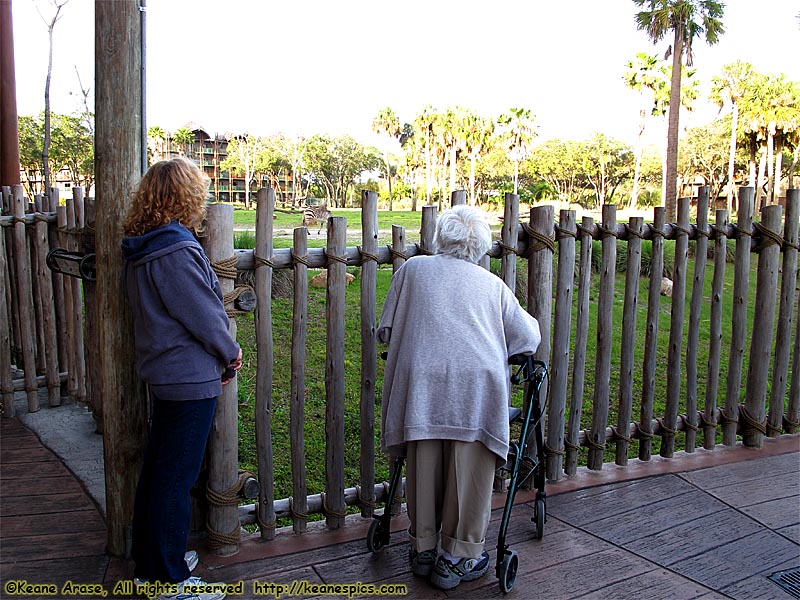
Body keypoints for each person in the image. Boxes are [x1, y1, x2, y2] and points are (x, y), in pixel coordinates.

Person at [377, 204, 541, 590]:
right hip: (476, 391)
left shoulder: (412, 271)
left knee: (424, 463)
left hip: (422, 388)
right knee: (470, 473)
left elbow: (385, 329)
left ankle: (423, 549)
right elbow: (528, 338)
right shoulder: (492, 285)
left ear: (440, 238)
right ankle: (458, 557)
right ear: (481, 246)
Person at [121, 157, 242, 600]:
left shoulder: (146, 245)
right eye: (199, 192)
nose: (204, 201)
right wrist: (230, 353)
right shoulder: (175, 248)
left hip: (166, 374)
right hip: (188, 378)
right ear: (185, 196)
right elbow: (203, 315)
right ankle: (169, 580)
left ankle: (150, 564)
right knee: (175, 478)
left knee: (159, 471)